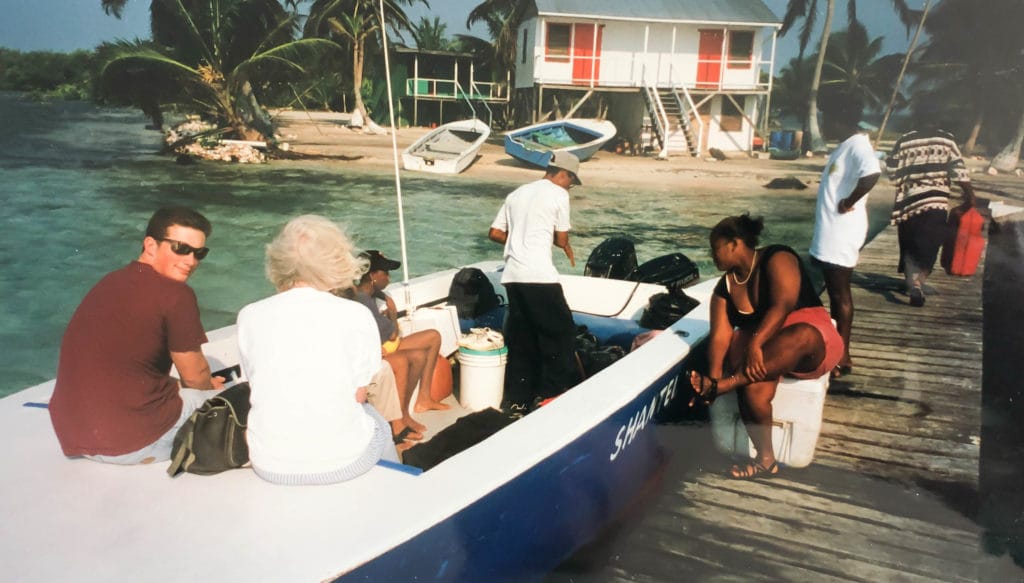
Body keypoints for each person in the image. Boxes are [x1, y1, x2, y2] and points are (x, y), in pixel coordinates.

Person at [48, 206, 225, 464]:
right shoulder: (176, 294)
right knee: (237, 398)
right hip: (132, 443)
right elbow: (195, 376)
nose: (190, 261)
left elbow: (125, 367)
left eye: (199, 253)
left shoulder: (110, 281)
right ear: (150, 245)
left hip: (74, 437)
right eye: (181, 248)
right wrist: (209, 390)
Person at [237, 215, 399, 485]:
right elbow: (359, 394)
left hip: (268, 463)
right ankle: (394, 489)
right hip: (342, 462)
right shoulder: (355, 314)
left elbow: (256, 383)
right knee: (379, 424)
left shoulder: (249, 315)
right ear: (338, 261)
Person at [690, 215, 845, 479]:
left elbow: (783, 303)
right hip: (766, 357)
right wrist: (712, 381)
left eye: (714, 247)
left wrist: (755, 344)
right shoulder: (723, 290)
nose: (711, 255)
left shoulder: (777, 257)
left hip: (811, 345)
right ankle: (766, 460)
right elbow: (719, 338)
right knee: (751, 390)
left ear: (734, 244)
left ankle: (729, 383)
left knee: (801, 335)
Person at [488, 151, 579, 415]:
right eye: (571, 181)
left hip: (514, 277)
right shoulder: (559, 195)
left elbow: (494, 233)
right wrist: (564, 245)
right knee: (562, 334)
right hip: (540, 276)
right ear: (565, 174)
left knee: (522, 338)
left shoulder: (516, 194)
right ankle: (551, 396)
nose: (570, 186)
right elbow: (561, 239)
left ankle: (516, 400)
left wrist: (520, 241)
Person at [808, 103, 881, 379]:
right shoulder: (845, 146)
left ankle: (842, 355)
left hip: (841, 233)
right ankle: (837, 350)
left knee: (840, 295)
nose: (824, 126)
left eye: (828, 119)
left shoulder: (858, 145)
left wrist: (848, 201)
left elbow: (872, 174)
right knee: (835, 293)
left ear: (842, 120)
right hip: (831, 233)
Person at [353, 249, 448, 442]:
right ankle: (401, 418)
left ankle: (424, 399)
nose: (388, 277)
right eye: (385, 273)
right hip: (379, 352)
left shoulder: (369, 292)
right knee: (415, 357)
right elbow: (393, 333)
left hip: (386, 346)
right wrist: (394, 315)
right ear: (372, 275)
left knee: (433, 336)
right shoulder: (363, 300)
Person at [886, 128, 976, 307]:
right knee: (930, 245)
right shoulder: (947, 139)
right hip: (935, 201)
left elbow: (891, 170)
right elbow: (958, 171)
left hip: (908, 202)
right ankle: (918, 283)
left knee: (909, 244)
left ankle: (912, 283)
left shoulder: (904, 139)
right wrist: (970, 196)